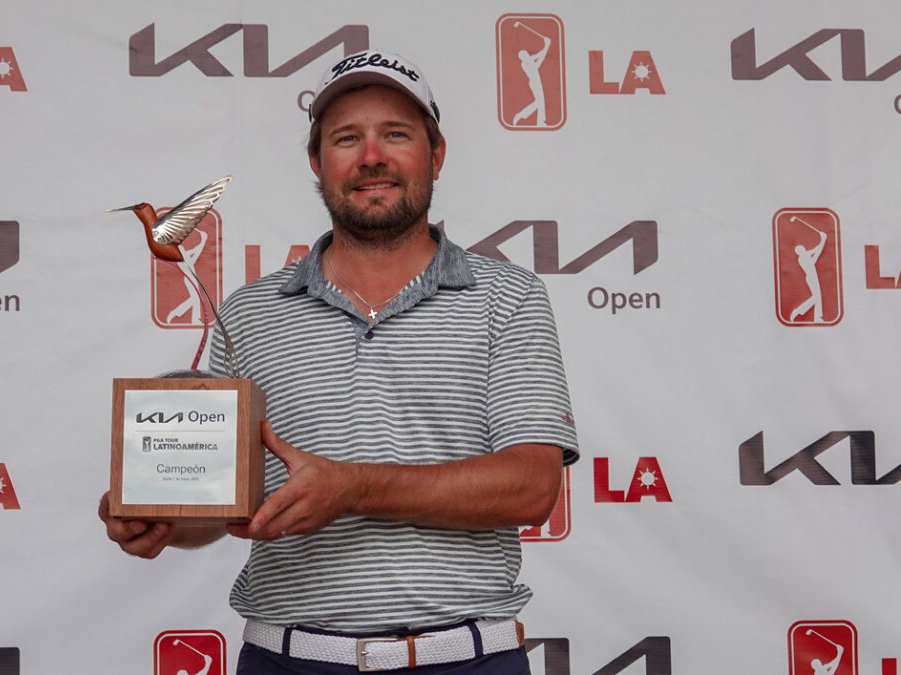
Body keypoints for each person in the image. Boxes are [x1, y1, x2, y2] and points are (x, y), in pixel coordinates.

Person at [100, 49, 578, 673]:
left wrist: (352, 488)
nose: (371, 156)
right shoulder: (248, 313)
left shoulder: (507, 297)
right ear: (316, 162)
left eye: (396, 134)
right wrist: (154, 513)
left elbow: (532, 487)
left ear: (436, 154)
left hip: (464, 661)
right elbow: (217, 503)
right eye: (346, 138)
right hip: (286, 659)